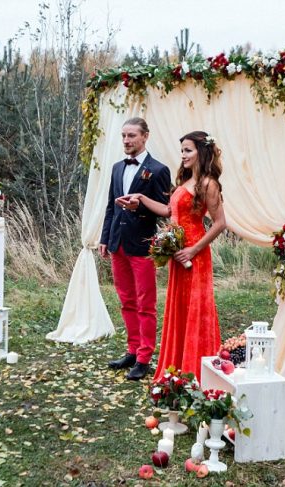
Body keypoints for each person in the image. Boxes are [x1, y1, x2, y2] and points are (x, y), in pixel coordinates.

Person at [120, 131, 226, 381]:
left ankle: (196, 368)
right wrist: (142, 199)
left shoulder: (208, 184)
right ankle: (177, 364)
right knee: (178, 308)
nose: (183, 155)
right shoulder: (186, 181)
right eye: (182, 151)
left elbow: (220, 223)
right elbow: (170, 211)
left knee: (195, 309)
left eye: (188, 150)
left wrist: (193, 249)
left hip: (194, 255)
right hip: (177, 254)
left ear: (202, 151)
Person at [99, 117, 171, 381]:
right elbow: (110, 206)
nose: (127, 141)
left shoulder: (159, 170)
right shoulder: (117, 168)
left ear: (145, 136)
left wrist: (139, 206)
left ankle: (144, 357)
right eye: (124, 136)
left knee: (145, 304)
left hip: (142, 245)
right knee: (126, 300)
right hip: (118, 243)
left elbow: (165, 211)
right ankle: (131, 350)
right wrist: (105, 238)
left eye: (132, 136)